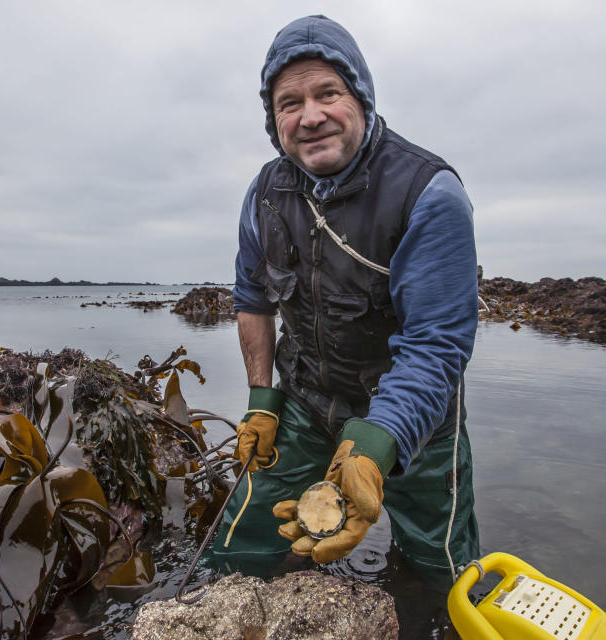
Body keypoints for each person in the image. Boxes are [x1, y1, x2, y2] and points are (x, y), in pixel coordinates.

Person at [213, 14, 480, 580]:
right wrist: (262, 400)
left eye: (327, 92)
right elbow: (252, 297)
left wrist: (378, 443)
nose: (310, 116)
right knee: (240, 543)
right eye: (289, 103)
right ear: (273, 119)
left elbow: (436, 344)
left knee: (441, 571)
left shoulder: (428, 193)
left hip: (417, 419)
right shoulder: (265, 194)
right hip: (307, 401)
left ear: (360, 96)